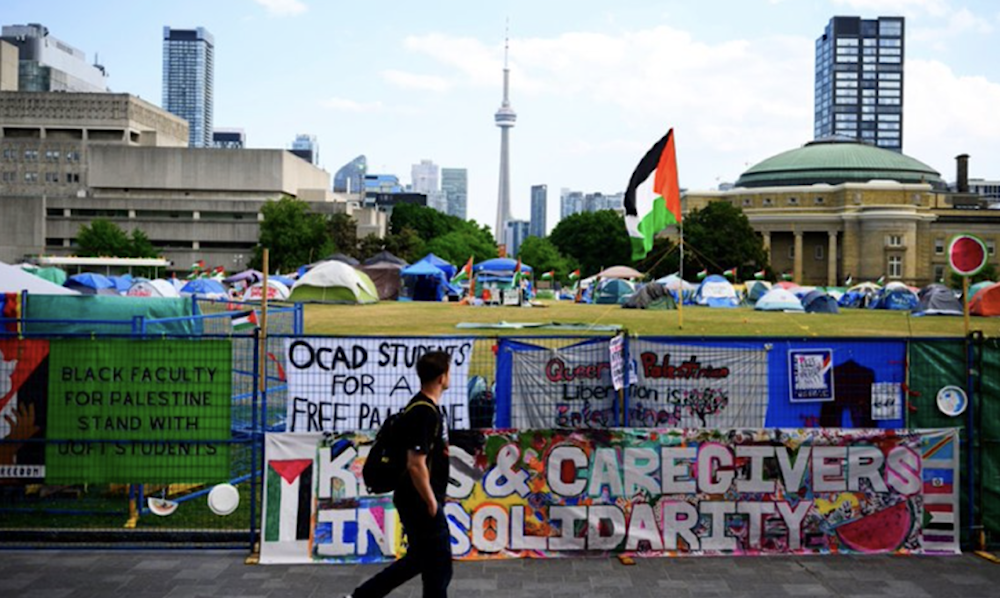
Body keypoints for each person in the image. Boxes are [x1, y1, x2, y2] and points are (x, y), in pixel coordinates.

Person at [348, 351, 453, 598]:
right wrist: (430, 501)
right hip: (419, 499)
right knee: (439, 564)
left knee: (420, 559)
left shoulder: (425, 408)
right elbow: (416, 463)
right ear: (441, 377)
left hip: (416, 497)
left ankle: (362, 595)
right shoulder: (424, 413)